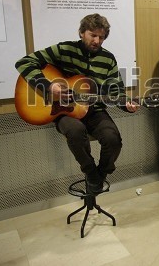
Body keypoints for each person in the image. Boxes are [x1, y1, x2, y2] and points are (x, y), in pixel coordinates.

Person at [15, 14, 138, 194]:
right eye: (92, 35)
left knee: (113, 140)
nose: (97, 40)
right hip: (64, 110)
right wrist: (49, 87)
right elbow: (25, 62)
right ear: (82, 33)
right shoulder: (65, 49)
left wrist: (126, 104)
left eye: (101, 37)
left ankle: (100, 174)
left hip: (94, 110)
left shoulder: (108, 59)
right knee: (75, 131)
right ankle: (89, 171)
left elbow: (116, 91)